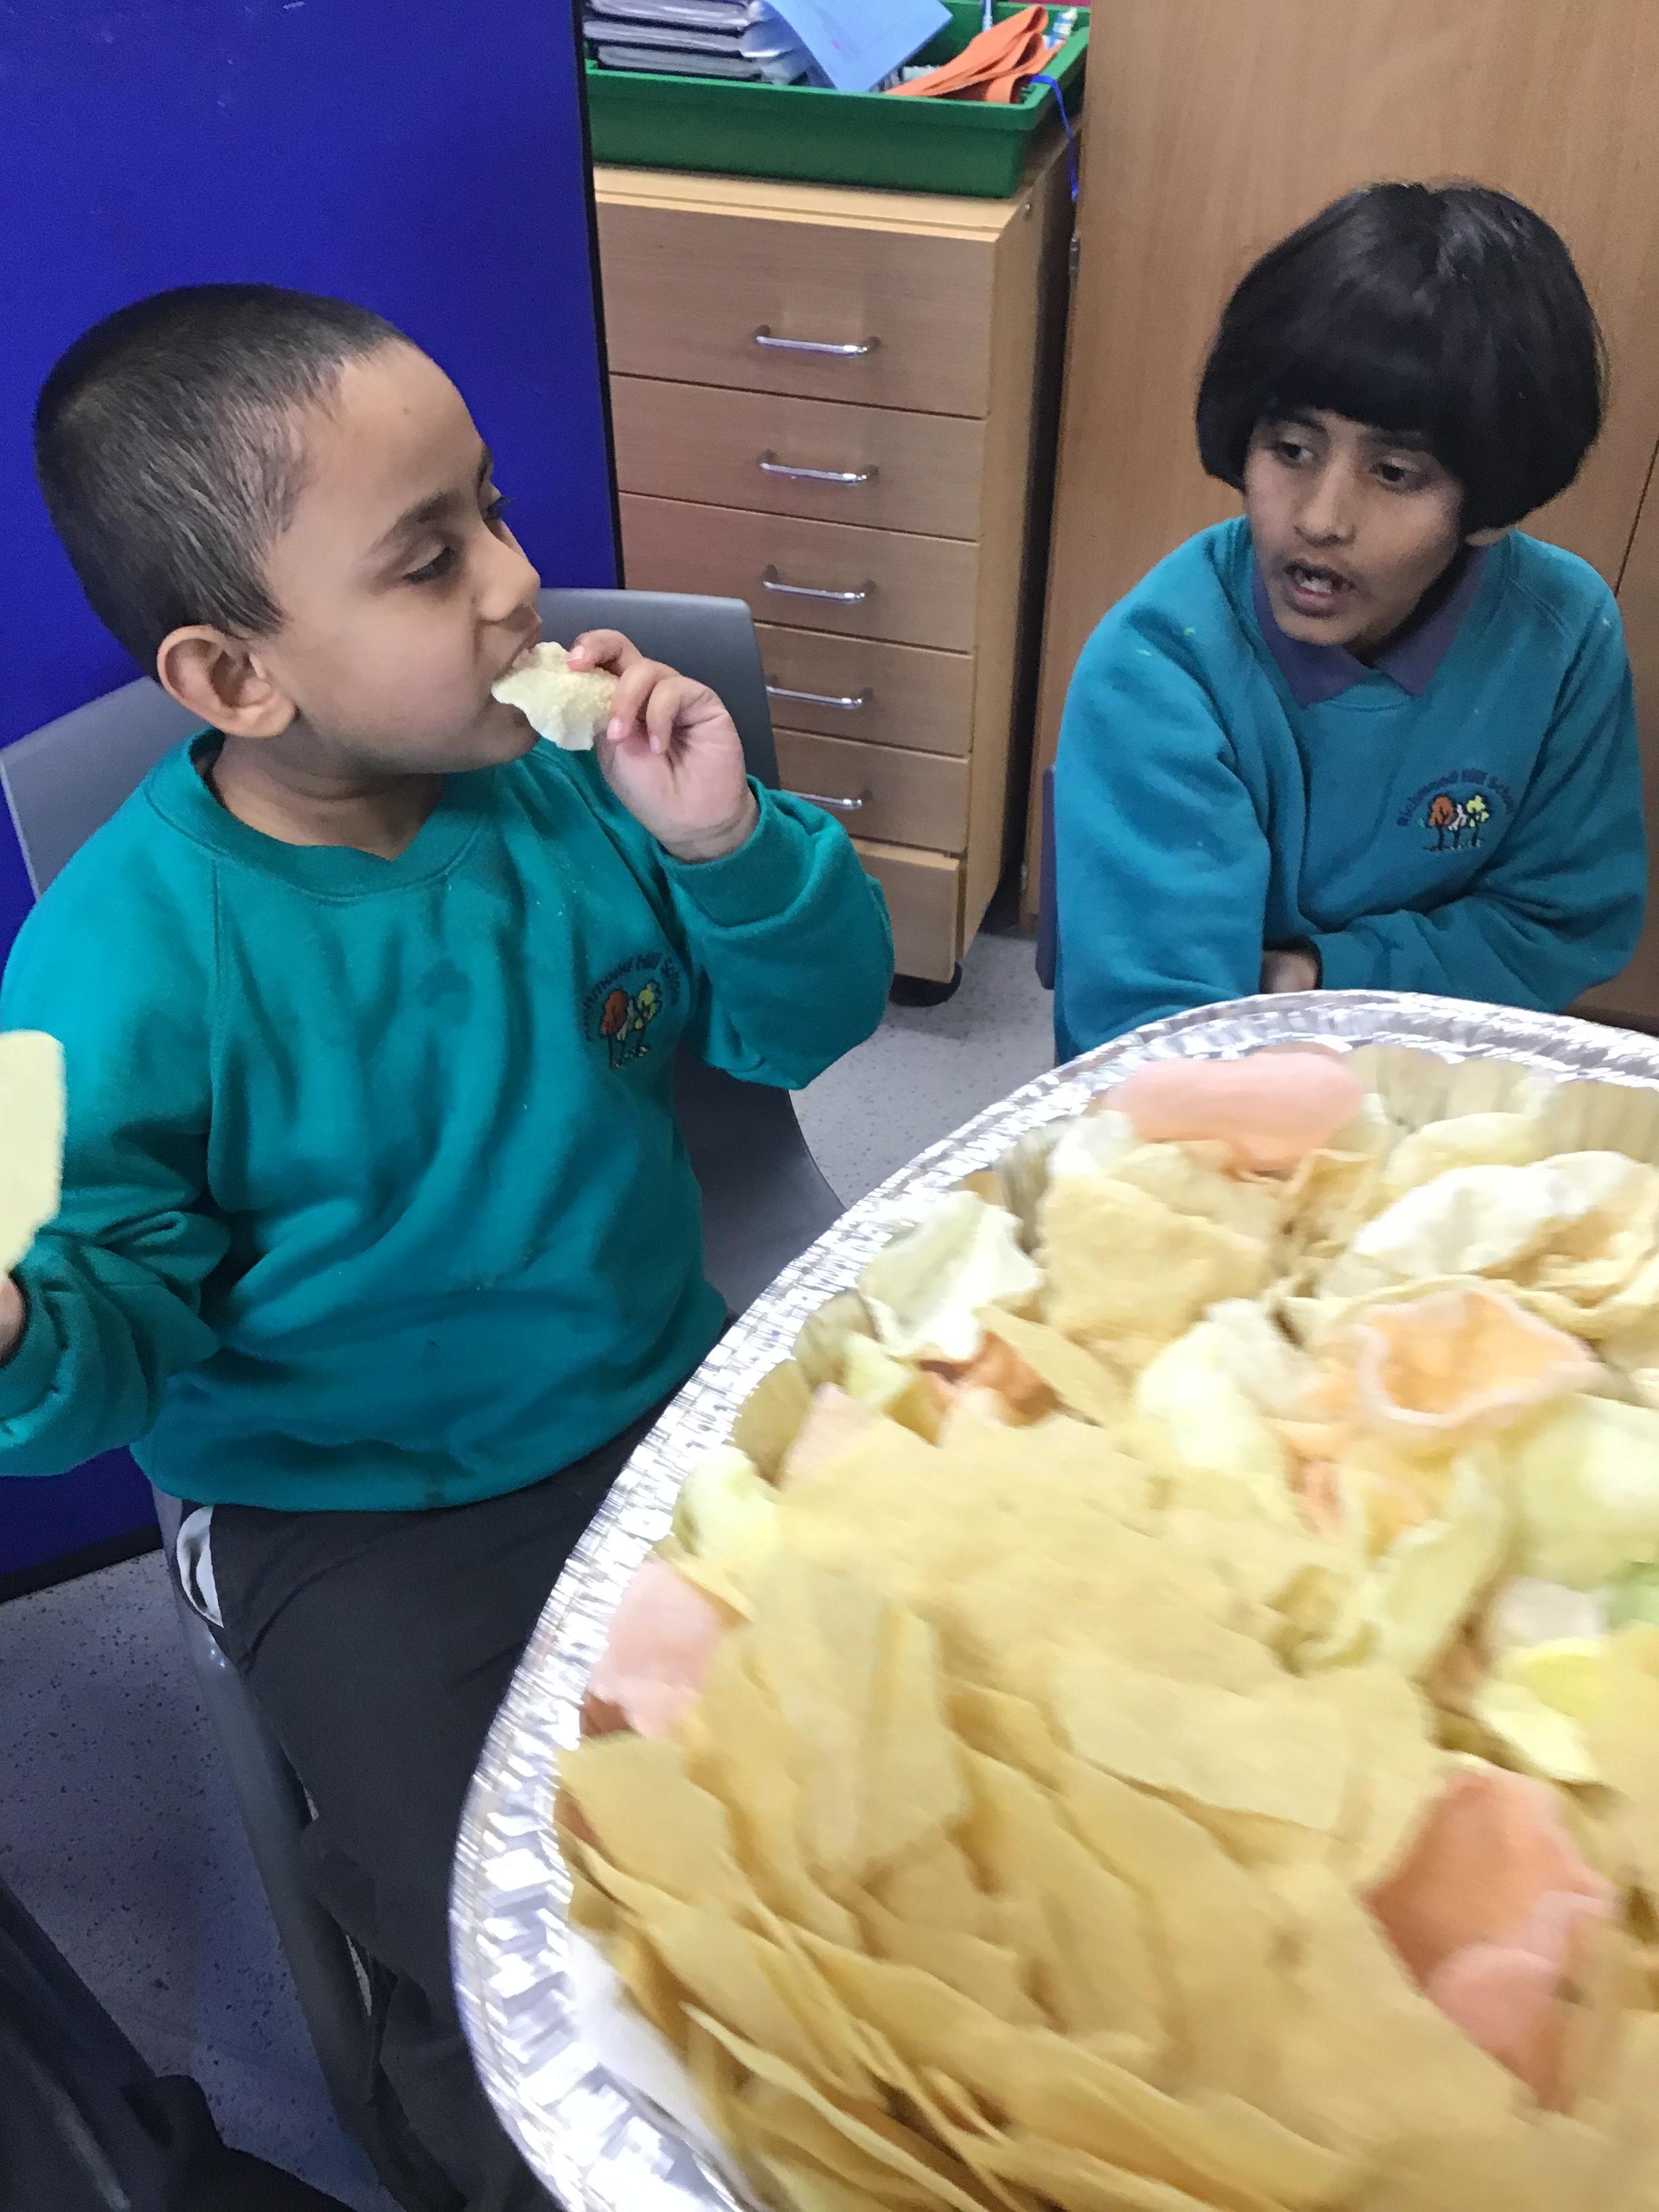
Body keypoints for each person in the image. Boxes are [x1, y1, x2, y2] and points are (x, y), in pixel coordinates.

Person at [0, 285, 893, 2209]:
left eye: (491, 508)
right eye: (430, 559)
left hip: (656, 1387)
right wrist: (13, 1325)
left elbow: (797, 1033)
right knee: (510, 1934)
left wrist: (727, 848)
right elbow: (98, 1359)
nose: (516, 583)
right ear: (236, 677)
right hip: (359, 1516)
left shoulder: (568, 789)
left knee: (886, 1756)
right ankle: (478, 2143)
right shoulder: (110, 972)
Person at [1050, 182, 1645, 1061]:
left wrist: (1323, 979)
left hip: (1436, 1076)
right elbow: (1154, 1040)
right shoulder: (1158, 665)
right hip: (1202, 1102)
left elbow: (1561, 922)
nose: (1321, 519)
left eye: (1395, 473)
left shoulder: (1562, 631)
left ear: (1491, 504)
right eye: (1292, 450)